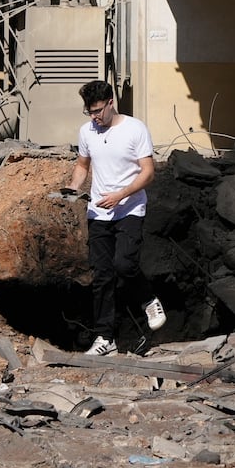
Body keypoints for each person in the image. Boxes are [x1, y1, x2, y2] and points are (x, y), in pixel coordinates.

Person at [65, 80, 166, 356]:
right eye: (90, 112)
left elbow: (148, 172)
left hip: (129, 209)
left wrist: (121, 194)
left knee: (124, 264)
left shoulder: (135, 129)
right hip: (98, 212)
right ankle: (105, 338)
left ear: (111, 102)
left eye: (98, 110)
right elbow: (82, 165)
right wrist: (73, 188)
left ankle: (148, 299)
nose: (95, 117)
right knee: (101, 275)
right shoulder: (87, 131)